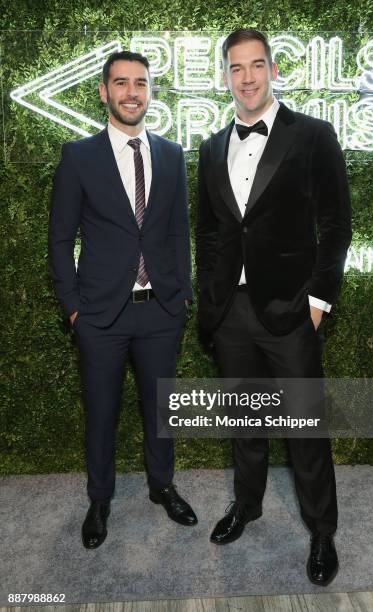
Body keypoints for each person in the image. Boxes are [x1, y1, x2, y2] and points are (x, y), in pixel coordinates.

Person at [196, 29, 352, 586]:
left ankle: (322, 531)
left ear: (274, 68)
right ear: (225, 77)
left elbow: (336, 225)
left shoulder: (313, 135)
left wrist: (317, 301)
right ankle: (248, 505)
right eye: (236, 68)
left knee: (305, 428)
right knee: (245, 421)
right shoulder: (212, 146)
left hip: (291, 311)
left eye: (256, 65)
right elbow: (211, 234)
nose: (247, 77)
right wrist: (211, 302)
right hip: (230, 313)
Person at [49, 51, 197, 550]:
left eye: (140, 82)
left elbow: (178, 233)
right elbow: (59, 238)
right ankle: (100, 499)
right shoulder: (79, 156)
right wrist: (73, 306)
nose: (131, 91)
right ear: (103, 91)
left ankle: (163, 487)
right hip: (99, 315)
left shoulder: (173, 154)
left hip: (160, 310)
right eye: (121, 83)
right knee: (102, 411)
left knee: (162, 410)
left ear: (150, 91)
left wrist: (182, 297)